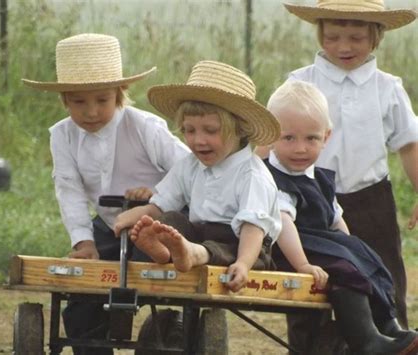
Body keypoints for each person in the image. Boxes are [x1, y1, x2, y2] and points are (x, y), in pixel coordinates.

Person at [22, 33, 190, 355]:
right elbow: (69, 190)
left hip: (157, 224)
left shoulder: (145, 127)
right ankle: (91, 344)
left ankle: (166, 332)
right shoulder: (62, 136)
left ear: (120, 93)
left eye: (102, 100)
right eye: (79, 102)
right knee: (83, 294)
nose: (91, 112)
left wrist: (155, 195)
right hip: (110, 225)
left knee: (158, 278)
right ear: (65, 100)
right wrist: (83, 242)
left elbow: (188, 170)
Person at [114, 60, 328, 293]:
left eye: (210, 130)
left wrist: (243, 264)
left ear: (239, 130)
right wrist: (140, 213)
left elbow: (253, 227)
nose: (198, 140)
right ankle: (164, 249)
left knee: (223, 243)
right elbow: (165, 200)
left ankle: (193, 253)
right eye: (189, 130)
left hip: (245, 246)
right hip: (197, 235)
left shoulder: (252, 174)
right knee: (171, 220)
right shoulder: (189, 165)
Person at [279, 0, 418, 331]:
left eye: (356, 37)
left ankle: (394, 342)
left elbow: (409, 144)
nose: (344, 46)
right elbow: (273, 138)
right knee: (309, 281)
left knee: (384, 276)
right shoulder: (300, 82)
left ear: (376, 36)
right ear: (320, 34)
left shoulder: (388, 87)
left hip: (370, 199)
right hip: (308, 198)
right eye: (333, 36)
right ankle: (310, 346)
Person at [263, 80, 418, 355]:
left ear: (326, 137)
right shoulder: (270, 178)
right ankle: (366, 340)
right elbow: (283, 223)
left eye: (311, 138)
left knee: (368, 260)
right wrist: (303, 265)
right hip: (289, 247)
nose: (301, 148)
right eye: (289, 138)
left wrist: (354, 251)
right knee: (345, 270)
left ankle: (388, 325)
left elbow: (335, 219)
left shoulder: (318, 176)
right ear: (271, 136)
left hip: (320, 244)